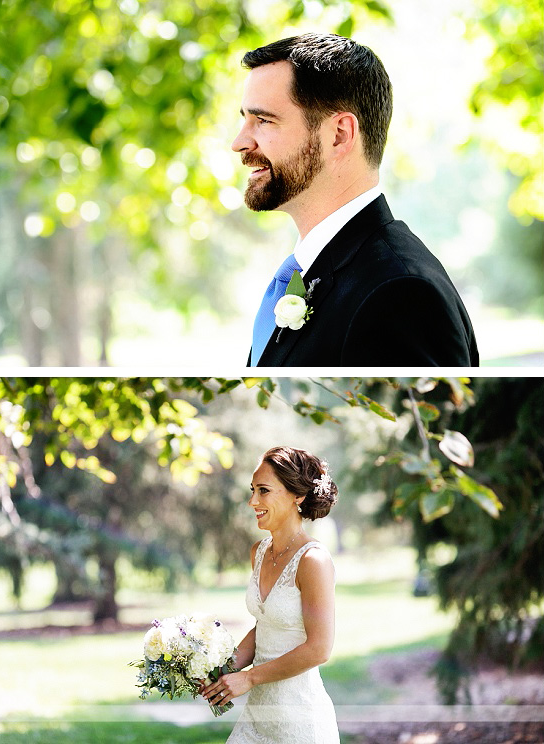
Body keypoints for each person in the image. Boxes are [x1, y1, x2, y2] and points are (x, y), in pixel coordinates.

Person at [233, 34, 479, 367]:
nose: (239, 142)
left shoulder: (400, 293)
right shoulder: (322, 270)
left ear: (339, 135)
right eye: (244, 119)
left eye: (263, 120)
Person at [200, 447, 340, 742]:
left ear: (297, 496)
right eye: (252, 490)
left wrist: (249, 677)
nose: (252, 501)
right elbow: (265, 627)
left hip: (300, 719)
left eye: (263, 491)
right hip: (257, 716)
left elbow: (319, 649)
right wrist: (221, 672)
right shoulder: (259, 552)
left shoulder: (313, 561)